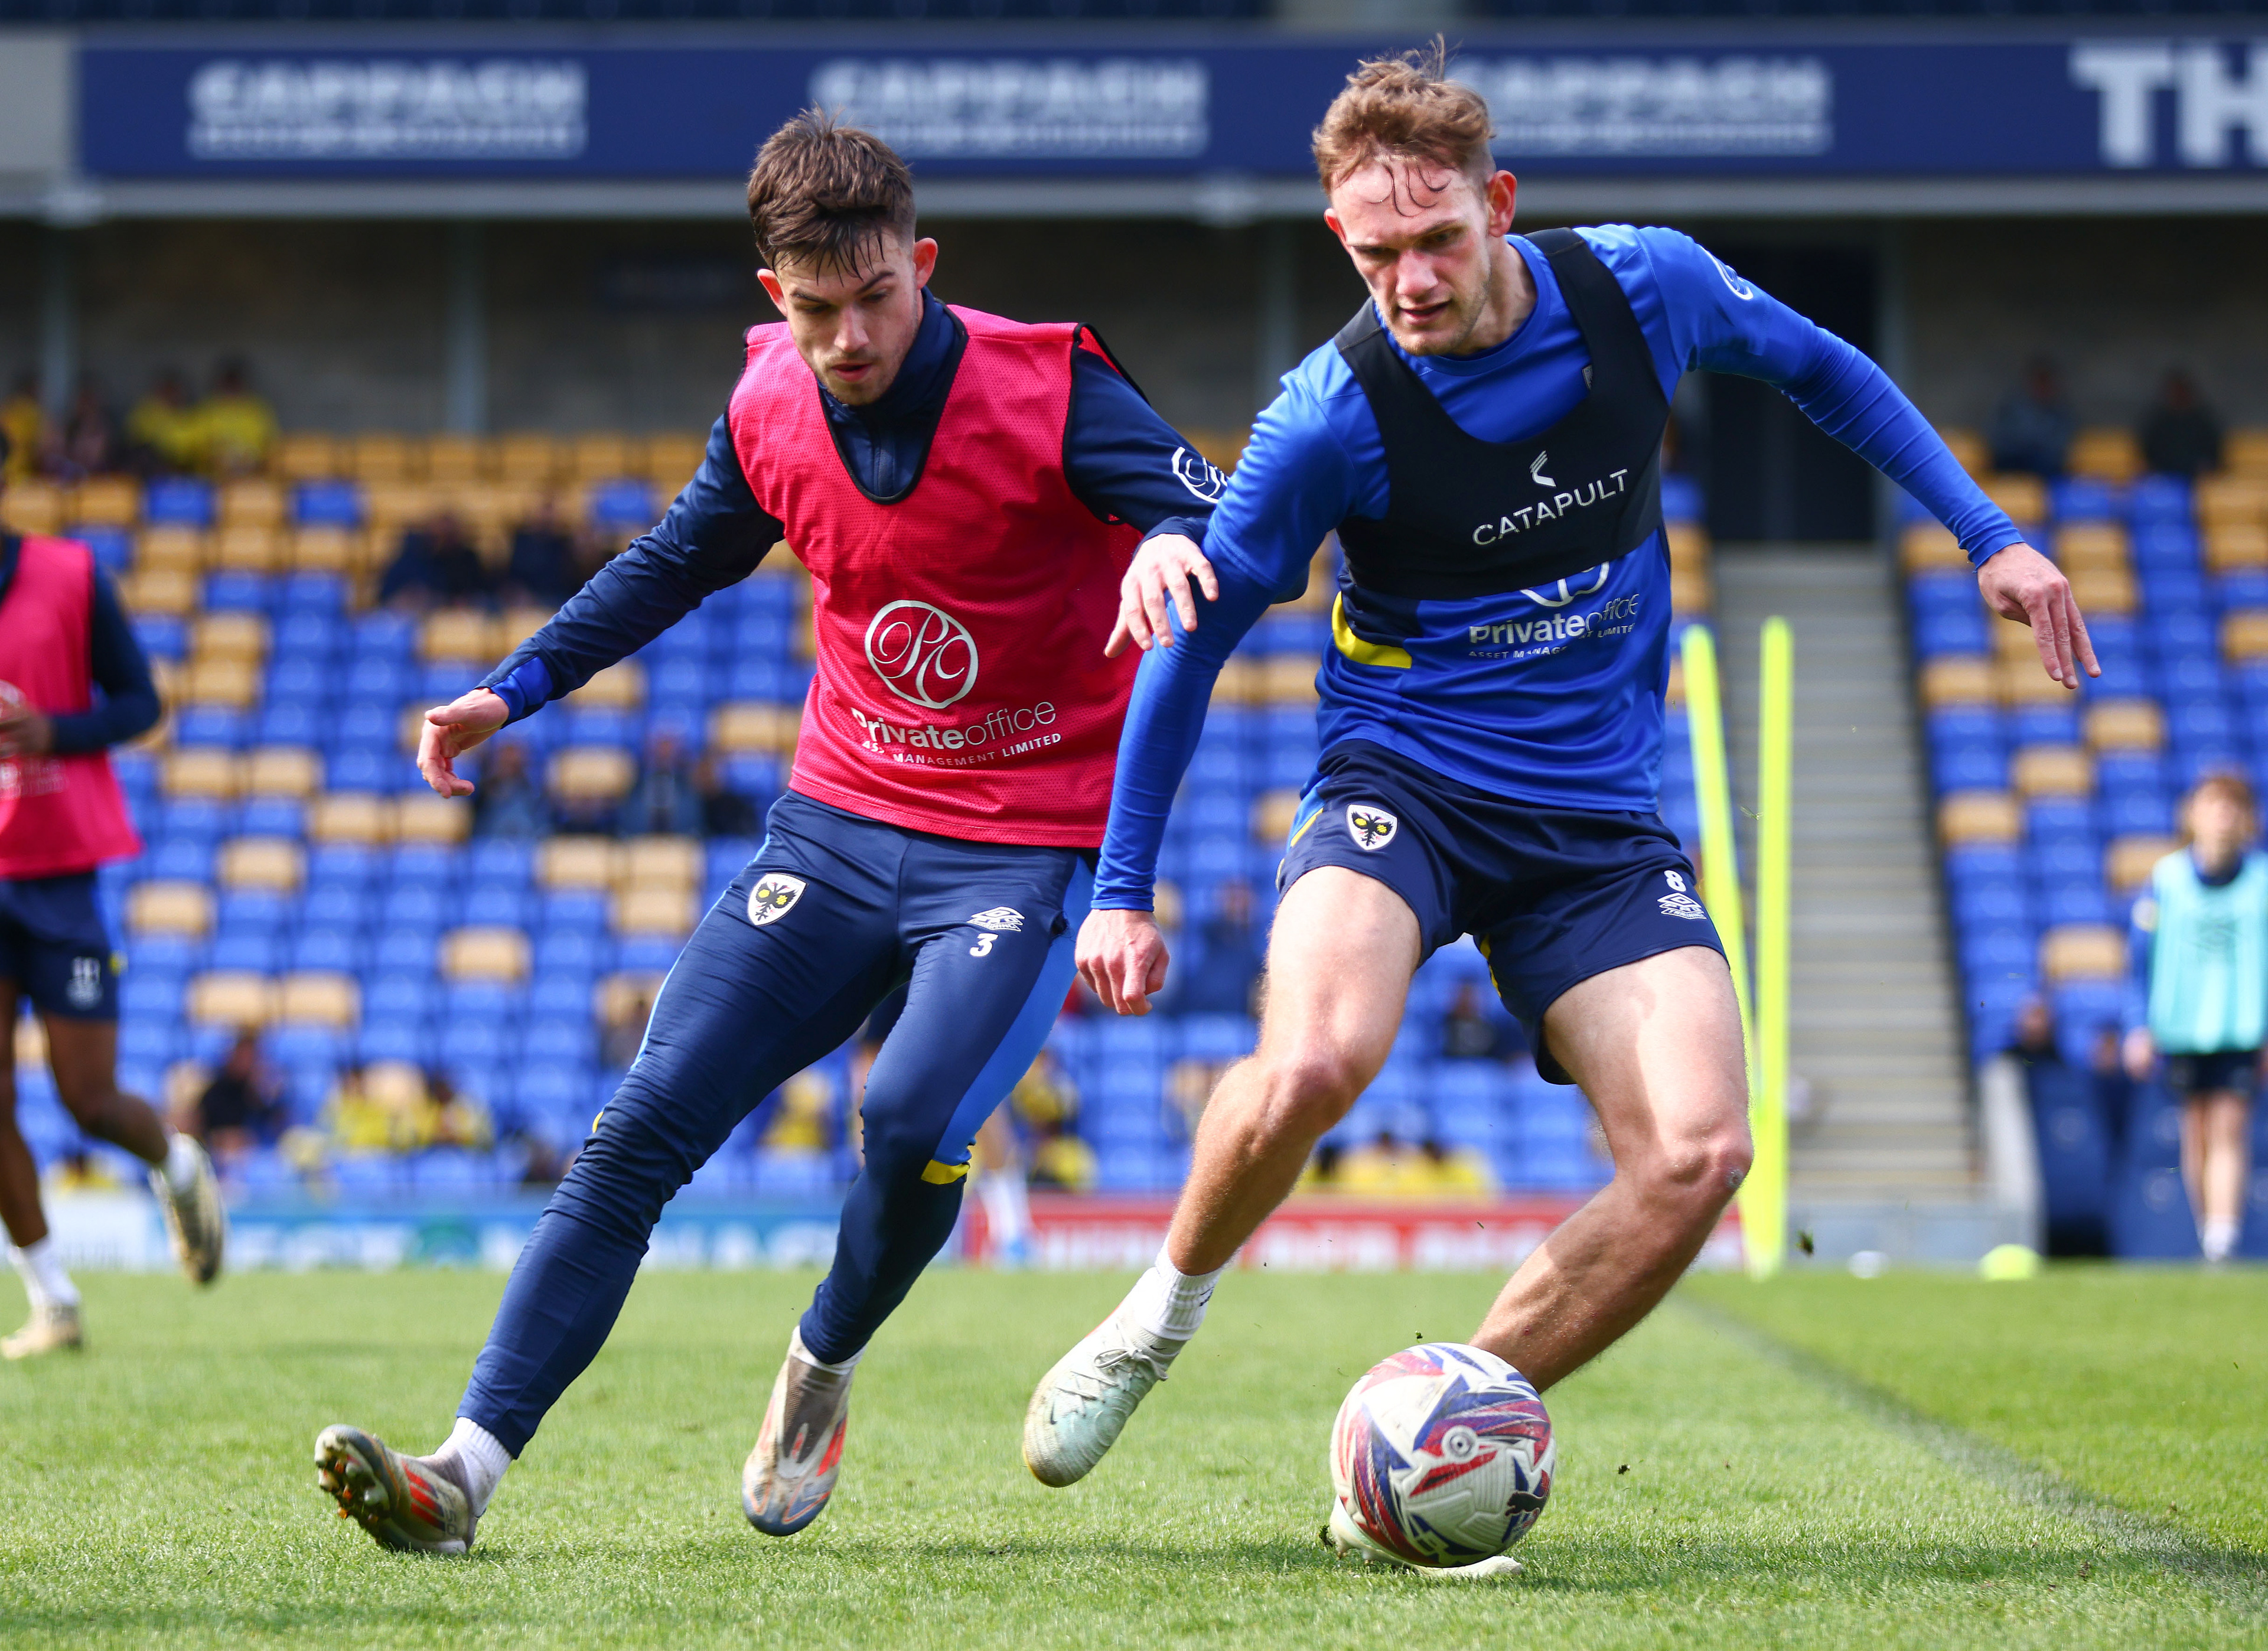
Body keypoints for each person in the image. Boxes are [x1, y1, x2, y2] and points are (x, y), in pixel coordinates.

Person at [1021, 48, 2096, 1540]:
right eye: (1374, 249)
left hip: (1594, 824)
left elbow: (1823, 368)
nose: (1406, 277)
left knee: (1702, 1155)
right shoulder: (1328, 415)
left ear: (1498, 206)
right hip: (1402, 785)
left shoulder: (1639, 290)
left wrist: (1985, 534)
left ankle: (1414, 1443)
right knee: (1317, 1061)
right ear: (1341, 239)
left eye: (1435, 240)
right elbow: (1189, 630)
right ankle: (1155, 1315)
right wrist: (1121, 888)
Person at [310, 108, 1218, 1554]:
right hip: (839, 825)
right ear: (771, 297)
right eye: (816, 308)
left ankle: (821, 1361)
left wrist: (1177, 541)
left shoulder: (1049, 386)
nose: (849, 335)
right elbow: (679, 557)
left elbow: (1214, 537)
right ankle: (460, 1476)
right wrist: (511, 689)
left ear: (921, 264)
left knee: (908, 1118)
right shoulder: (767, 402)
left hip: (1021, 845)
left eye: (876, 298)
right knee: (634, 1130)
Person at [0, 430, 227, 1358]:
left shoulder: (67, 573)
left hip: (59, 873)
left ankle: (175, 1164)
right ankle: (52, 1298)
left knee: (86, 1099)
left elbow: (142, 703)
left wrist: (51, 729)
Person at [2123, 773, 2265, 1264]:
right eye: (2213, 805)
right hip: (2181, 1025)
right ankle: (2209, 1229)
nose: (2223, 816)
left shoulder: (2263, 880)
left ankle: (2222, 1236)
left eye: (2234, 807)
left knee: (2230, 1124)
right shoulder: (2166, 880)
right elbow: (2140, 959)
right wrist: (2137, 1024)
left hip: (2241, 1025)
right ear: (2193, 815)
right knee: (2197, 1129)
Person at [189, 1028, 286, 1158]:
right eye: (242, 1057)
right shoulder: (215, 1091)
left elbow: (275, 1129)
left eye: (251, 1058)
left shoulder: (262, 1094)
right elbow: (202, 1129)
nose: (246, 1063)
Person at [1987, 357, 2076, 479]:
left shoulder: (2061, 413)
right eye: (2039, 381)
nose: (2042, 387)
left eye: (2046, 382)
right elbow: (1998, 441)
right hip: (2011, 466)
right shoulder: (2010, 409)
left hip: (2047, 472)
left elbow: (2061, 447)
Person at [380, 514, 491, 610]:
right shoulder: (409, 559)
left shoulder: (466, 560)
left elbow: (480, 592)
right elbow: (387, 596)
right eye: (439, 536)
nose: (444, 542)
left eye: (449, 536)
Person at [194, 357, 278, 476]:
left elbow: (271, 447)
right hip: (213, 482)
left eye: (235, 382)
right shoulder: (208, 410)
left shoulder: (257, 410)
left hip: (252, 481)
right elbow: (188, 447)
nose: (231, 387)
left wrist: (251, 460)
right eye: (228, 382)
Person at [2137, 369, 2224, 481]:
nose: (2179, 395)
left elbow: (2214, 456)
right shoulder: (2158, 422)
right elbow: (2147, 455)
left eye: (2182, 391)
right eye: (2175, 391)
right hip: (2163, 479)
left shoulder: (2204, 422)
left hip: (2196, 479)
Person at [620, 729, 703, 838]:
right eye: (660, 750)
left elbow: (695, 822)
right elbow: (628, 821)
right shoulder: (636, 785)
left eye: (669, 750)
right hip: (640, 843)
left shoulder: (689, 786)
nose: (664, 755)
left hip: (680, 843)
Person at [504, 499, 580, 608]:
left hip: (555, 597)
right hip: (524, 595)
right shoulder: (522, 541)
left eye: (551, 513)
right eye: (543, 512)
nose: (546, 517)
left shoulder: (562, 544)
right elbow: (514, 572)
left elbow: (566, 578)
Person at [468, 741, 550, 840]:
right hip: (488, 841)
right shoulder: (483, 791)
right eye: (505, 763)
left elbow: (543, 826)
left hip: (526, 842)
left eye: (514, 764)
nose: (509, 767)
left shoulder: (534, 793)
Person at [125, 370, 200, 476]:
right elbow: (139, 443)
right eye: (168, 389)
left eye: (175, 390)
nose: (172, 394)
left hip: (189, 474)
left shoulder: (191, 415)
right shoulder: (146, 413)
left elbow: (189, 450)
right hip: (152, 475)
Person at [0, 373, 41, 484]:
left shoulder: (6, 408)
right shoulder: (31, 411)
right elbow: (41, 447)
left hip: (8, 473)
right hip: (21, 474)